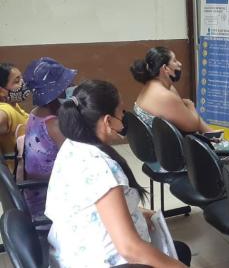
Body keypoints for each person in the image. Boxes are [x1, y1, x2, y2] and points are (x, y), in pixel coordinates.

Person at [45, 80, 191, 268]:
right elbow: (130, 249)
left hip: (71, 253)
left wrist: (134, 213)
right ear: (107, 121)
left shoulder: (72, 145)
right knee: (177, 258)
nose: (124, 116)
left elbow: (95, 204)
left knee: (180, 251)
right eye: (121, 112)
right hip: (101, 262)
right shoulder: (100, 168)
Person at [22, 57, 77, 220]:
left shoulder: (35, 113)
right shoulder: (54, 125)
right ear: (58, 91)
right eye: (67, 84)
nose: (71, 86)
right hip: (49, 197)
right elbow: (78, 158)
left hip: (35, 191)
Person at [131, 46, 212, 133]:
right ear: (165, 68)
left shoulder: (153, 84)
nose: (179, 64)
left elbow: (186, 114)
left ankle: (216, 138)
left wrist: (211, 133)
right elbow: (194, 126)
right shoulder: (163, 95)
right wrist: (191, 105)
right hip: (162, 145)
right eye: (175, 61)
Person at [0, 63, 30, 172]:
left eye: (21, 78)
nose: (23, 83)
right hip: (19, 179)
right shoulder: (5, 110)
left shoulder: (13, 105)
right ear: (1, 90)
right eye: (17, 81)